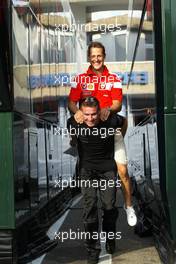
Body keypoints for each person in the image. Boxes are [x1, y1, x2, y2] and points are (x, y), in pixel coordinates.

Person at [68, 41, 137, 226]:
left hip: (109, 132)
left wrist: (108, 108)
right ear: (89, 58)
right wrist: (77, 111)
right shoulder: (80, 79)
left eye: (99, 55)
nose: (96, 59)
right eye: (93, 56)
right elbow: (71, 103)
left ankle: (129, 206)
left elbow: (118, 104)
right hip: (90, 136)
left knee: (122, 171)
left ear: (104, 56)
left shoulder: (113, 78)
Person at [67, 97, 122, 264]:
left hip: (107, 170)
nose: (90, 118)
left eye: (93, 114)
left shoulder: (111, 119)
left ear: (99, 112)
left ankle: (110, 236)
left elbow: (124, 121)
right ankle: (92, 249)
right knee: (89, 209)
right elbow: (71, 135)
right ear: (81, 113)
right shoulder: (74, 121)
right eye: (86, 115)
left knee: (109, 207)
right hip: (87, 171)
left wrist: (118, 140)